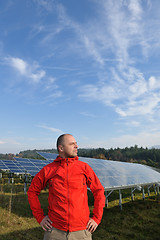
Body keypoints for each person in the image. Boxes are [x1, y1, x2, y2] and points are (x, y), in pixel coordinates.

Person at [27, 134, 105, 240]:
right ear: (61, 148)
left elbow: (99, 191)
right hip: (54, 232)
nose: (76, 146)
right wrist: (40, 217)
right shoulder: (48, 170)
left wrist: (96, 218)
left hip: (81, 232)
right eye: (72, 144)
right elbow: (32, 191)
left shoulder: (84, 168)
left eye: (76, 143)